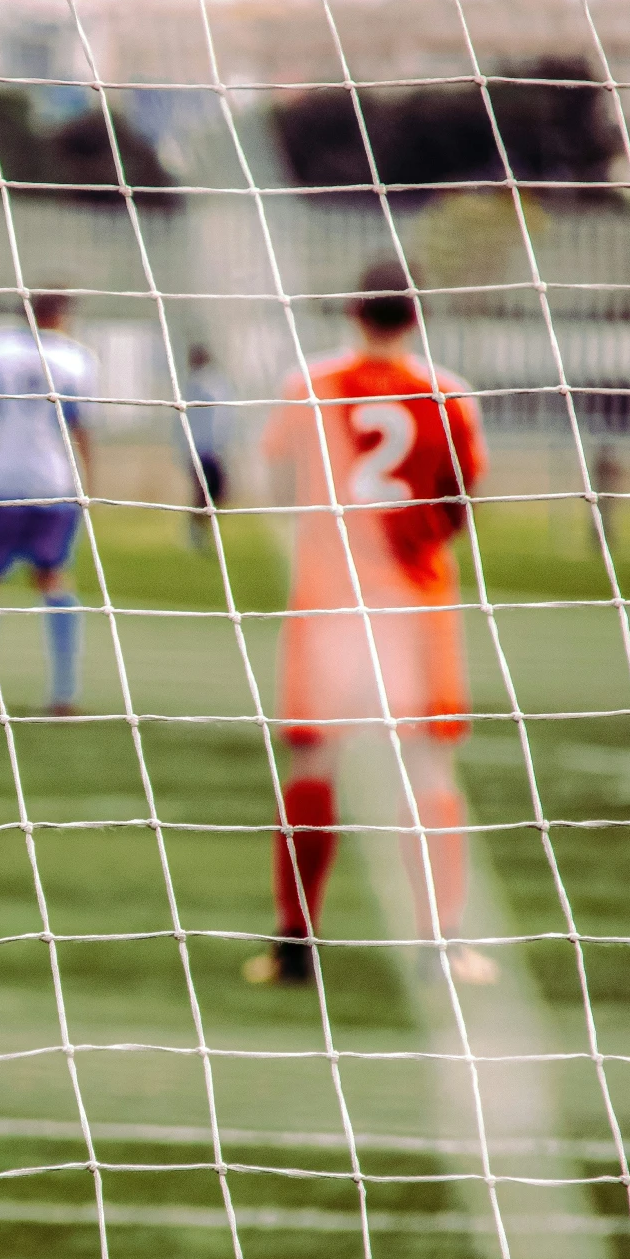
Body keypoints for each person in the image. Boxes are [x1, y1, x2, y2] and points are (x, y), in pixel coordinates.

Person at [249, 260, 493, 988]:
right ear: (414, 318)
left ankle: (293, 944)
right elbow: (460, 501)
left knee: (316, 765)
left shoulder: (311, 385)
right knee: (427, 768)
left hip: (329, 602)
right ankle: (441, 945)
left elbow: (278, 484)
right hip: (414, 604)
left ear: (354, 312)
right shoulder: (448, 394)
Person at [0, 291, 97, 717]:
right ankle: (64, 692)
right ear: (60, 316)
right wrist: (90, 485)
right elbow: (84, 428)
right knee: (54, 579)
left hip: (1, 483)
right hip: (54, 484)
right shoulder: (77, 358)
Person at [182, 342, 233, 552]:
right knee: (202, 493)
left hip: (214, 448)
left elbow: (223, 417)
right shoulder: (194, 385)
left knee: (218, 493)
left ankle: (201, 531)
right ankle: (195, 532)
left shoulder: (214, 382)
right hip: (200, 449)